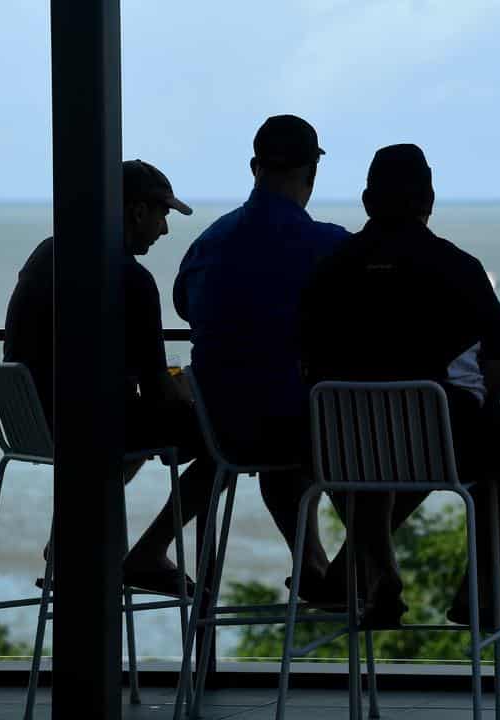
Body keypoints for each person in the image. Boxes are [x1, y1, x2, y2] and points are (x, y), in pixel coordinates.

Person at [299, 143, 500, 632]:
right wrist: (474, 407)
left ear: (368, 202)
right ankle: (479, 592)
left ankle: (380, 575)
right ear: (429, 201)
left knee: (372, 450)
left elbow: (308, 358)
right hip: (435, 443)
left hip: (342, 447)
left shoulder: (329, 270)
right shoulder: (458, 267)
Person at [4, 159, 212, 594]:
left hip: (35, 420)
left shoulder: (47, 253)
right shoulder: (130, 278)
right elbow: (157, 392)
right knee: (225, 443)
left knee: (134, 435)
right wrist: (190, 400)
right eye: (162, 215)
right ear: (137, 211)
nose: (164, 230)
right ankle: (150, 553)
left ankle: (65, 543)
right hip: (85, 428)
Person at [173, 115, 348, 603]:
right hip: (292, 425)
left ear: (254, 167)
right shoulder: (329, 246)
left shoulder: (209, 242)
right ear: (312, 172)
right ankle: (364, 565)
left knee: (280, 421)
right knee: (347, 429)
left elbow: (184, 305)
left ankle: (312, 561)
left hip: (220, 429)